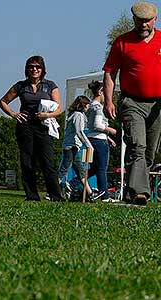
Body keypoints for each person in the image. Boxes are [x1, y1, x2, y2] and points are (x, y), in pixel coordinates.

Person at [103, 1, 161, 206]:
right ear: (134, 20)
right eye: (140, 21)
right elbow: (110, 72)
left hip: (157, 105)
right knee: (138, 145)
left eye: (147, 21)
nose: (143, 25)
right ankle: (141, 193)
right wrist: (109, 101)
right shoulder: (122, 42)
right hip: (131, 102)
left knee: (148, 153)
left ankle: (131, 190)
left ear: (155, 19)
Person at [0, 55, 64, 202]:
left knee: (48, 162)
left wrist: (47, 115)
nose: (34, 69)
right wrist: (14, 114)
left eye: (38, 67)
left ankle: (55, 195)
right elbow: (3, 102)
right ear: (27, 69)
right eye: (31, 67)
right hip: (25, 127)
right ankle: (32, 195)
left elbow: (59, 108)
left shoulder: (50, 85)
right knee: (27, 162)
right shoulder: (21, 86)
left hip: (43, 127)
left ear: (43, 69)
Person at [58, 95, 95, 201]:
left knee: (81, 172)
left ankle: (90, 193)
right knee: (64, 170)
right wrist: (89, 145)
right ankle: (52, 191)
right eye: (87, 104)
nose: (88, 107)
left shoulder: (73, 114)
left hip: (73, 147)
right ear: (83, 105)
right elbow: (79, 131)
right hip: (71, 146)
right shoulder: (78, 115)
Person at [86, 81, 117, 202]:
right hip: (99, 141)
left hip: (93, 139)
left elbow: (92, 126)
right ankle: (104, 195)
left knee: (94, 168)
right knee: (102, 168)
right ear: (100, 92)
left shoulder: (90, 106)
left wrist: (108, 138)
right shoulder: (98, 107)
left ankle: (75, 181)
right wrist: (111, 130)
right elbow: (98, 125)